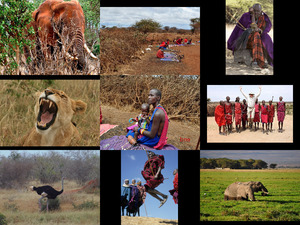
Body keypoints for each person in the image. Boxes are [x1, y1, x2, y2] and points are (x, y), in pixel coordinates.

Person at [227, 3, 273, 68]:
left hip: (259, 38)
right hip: (246, 40)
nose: (256, 12)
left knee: (266, 38)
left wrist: (260, 30)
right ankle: (256, 61)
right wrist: (253, 18)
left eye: (258, 11)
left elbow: (266, 28)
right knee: (256, 35)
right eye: (255, 11)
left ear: (261, 11)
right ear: (252, 10)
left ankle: (263, 60)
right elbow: (241, 30)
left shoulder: (264, 17)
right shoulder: (246, 16)